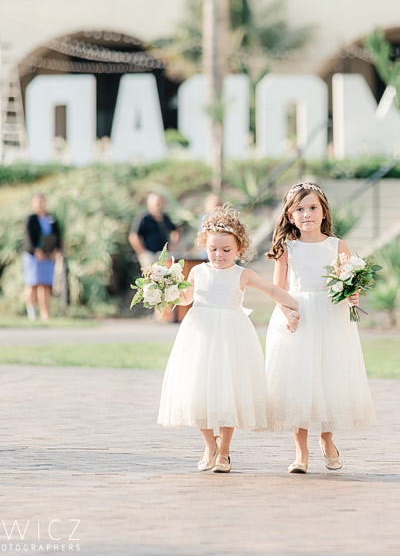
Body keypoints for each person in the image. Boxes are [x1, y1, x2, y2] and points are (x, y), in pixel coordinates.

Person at [157, 205, 300, 474]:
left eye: (226, 250)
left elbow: (271, 289)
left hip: (231, 338)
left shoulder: (241, 274)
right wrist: (166, 289)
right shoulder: (197, 272)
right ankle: (210, 444)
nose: (219, 255)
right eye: (213, 249)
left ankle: (224, 452)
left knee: (227, 393)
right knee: (197, 391)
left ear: (239, 249)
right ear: (204, 246)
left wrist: (295, 306)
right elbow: (186, 299)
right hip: (199, 335)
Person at [265, 181, 375, 474]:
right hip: (299, 314)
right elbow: (278, 289)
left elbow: (349, 281)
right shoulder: (286, 248)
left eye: (313, 208)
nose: (307, 214)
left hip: (330, 316)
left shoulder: (336, 246)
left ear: (324, 212)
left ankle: (327, 438)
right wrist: (288, 313)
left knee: (330, 377)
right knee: (297, 381)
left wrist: (354, 294)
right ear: (290, 217)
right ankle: (301, 452)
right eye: (299, 209)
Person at [23, 193, 62, 321]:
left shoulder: (51, 218)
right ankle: (32, 313)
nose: (40, 204)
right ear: (33, 203)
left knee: (45, 285)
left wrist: (56, 251)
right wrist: (36, 250)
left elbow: (58, 235)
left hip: (48, 256)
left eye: (41, 201)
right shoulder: (31, 219)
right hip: (34, 257)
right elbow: (28, 237)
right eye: (37, 201)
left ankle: (45, 313)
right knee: (32, 284)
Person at [130, 192, 180, 270]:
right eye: (156, 204)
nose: (159, 206)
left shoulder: (165, 217)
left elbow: (175, 231)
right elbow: (133, 237)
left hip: (162, 254)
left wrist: (172, 245)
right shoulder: (144, 218)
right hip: (149, 253)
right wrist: (142, 252)